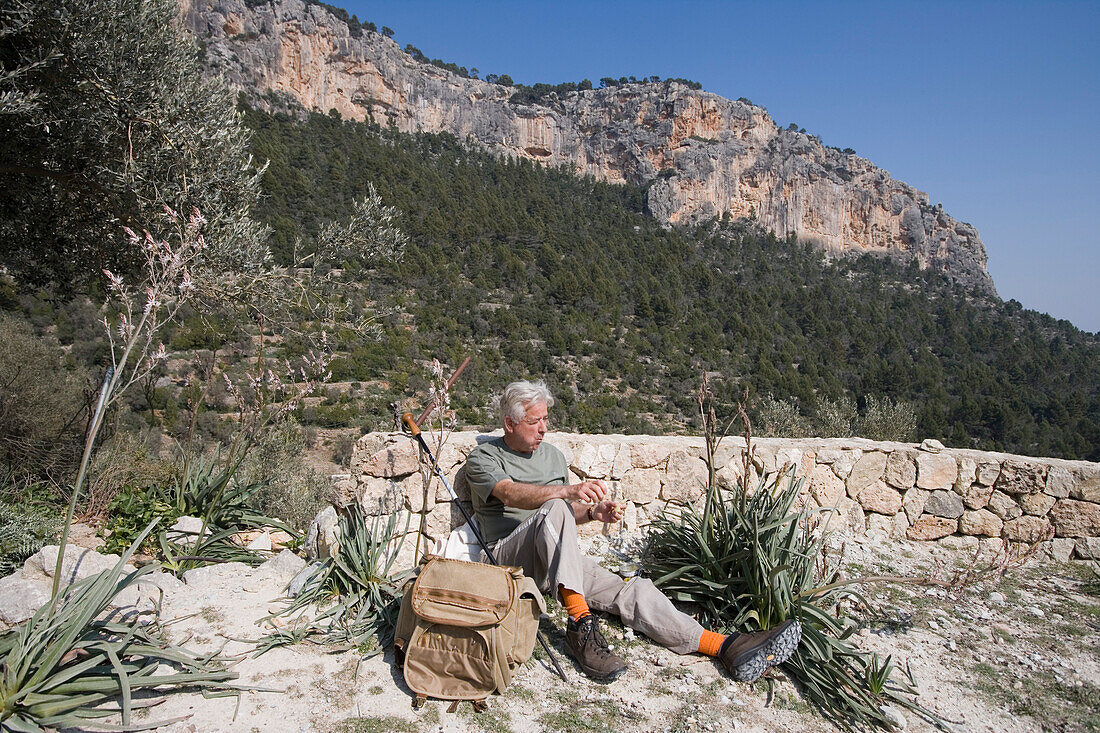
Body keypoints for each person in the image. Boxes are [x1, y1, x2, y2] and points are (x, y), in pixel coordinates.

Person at [464, 380, 802, 682]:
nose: (543, 429)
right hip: (506, 560)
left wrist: (593, 513)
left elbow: (565, 516)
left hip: (553, 560)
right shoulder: (484, 457)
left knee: (631, 590)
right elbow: (510, 493)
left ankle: (723, 646)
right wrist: (565, 494)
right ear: (509, 423)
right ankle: (581, 627)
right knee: (553, 507)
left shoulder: (552, 456)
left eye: (546, 419)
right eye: (534, 421)